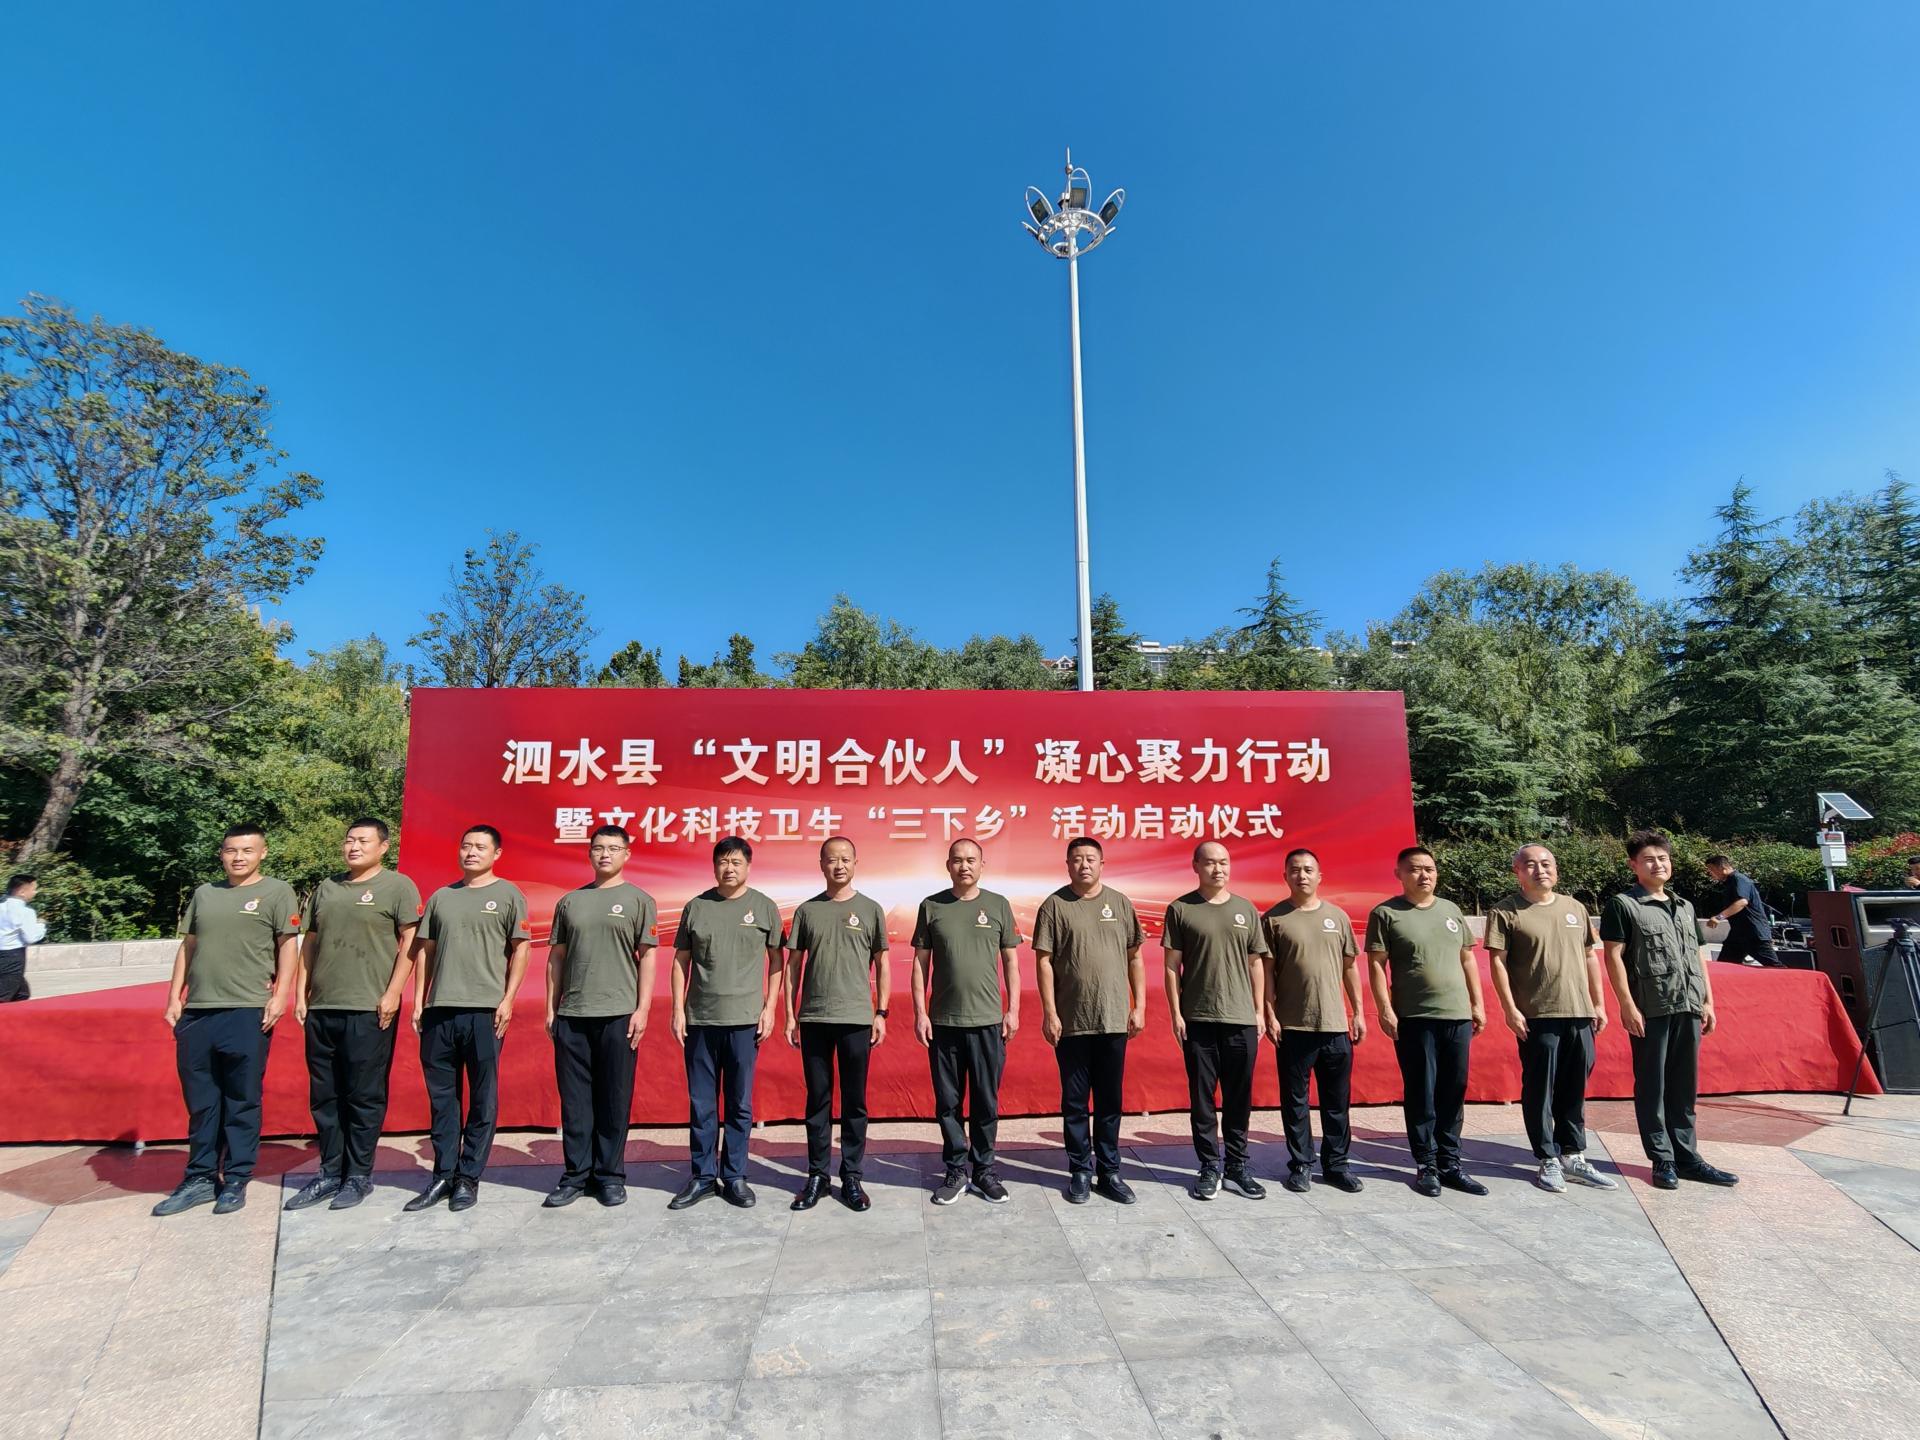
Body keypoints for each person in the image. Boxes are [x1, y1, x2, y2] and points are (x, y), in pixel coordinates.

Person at [151, 824, 300, 1217]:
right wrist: (174, 996)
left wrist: (280, 996)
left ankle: (236, 1178)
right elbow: (189, 946)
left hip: (246, 1009)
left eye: (247, 850)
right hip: (198, 1011)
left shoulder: (277, 892)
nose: (238, 857)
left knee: (242, 1099)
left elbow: (288, 946)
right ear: (221, 853)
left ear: (262, 853)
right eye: (231, 850)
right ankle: (200, 1177)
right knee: (202, 1101)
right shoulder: (205, 893)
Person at [284, 818, 421, 1212]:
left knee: (364, 1094)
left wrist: (393, 992)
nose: (354, 847)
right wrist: (301, 992)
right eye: (349, 840)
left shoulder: (398, 886)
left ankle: (359, 1175)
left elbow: (411, 941)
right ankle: (329, 1172)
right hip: (323, 1006)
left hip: (368, 1007)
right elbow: (309, 942)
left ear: (383, 847)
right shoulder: (327, 888)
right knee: (325, 1095)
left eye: (363, 840)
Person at [1601, 829, 1739, 1191]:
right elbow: (1613, 956)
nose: (1657, 864)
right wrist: (1626, 1004)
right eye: (1648, 859)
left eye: (1662, 858)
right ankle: (1662, 1158)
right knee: (1653, 1084)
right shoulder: (1623, 905)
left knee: (1684, 1085)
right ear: (1633, 865)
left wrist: (1708, 1000)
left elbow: (1697, 955)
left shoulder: (1684, 906)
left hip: (1689, 1004)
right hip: (1652, 1006)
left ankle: (1688, 1157)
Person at [406, 824, 531, 1213]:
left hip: (485, 1010)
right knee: (442, 1099)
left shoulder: (508, 895)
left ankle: (468, 1178)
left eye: (480, 847)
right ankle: (443, 1174)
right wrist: (419, 1001)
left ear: (496, 854)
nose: (471, 852)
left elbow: (521, 949)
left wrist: (508, 999)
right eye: (465, 846)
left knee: (482, 1098)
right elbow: (425, 951)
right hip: (440, 1010)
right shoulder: (442, 897)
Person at [1485, 844, 1615, 1194]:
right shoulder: (1506, 911)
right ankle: (1547, 1158)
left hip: (1579, 1012)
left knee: (1575, 1087)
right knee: (1540, 1089)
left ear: (1555, 869)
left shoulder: (1574, 908)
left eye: (1546, 863)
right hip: (1537, 1014)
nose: (1540, 870)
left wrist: (1598, 1003)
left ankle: (1573, 1155)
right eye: (1530, 864)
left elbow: (1590, 956)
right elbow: (1497, 962)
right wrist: (1510, 1009)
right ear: (1517, 872)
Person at [543, 825, 657, 1209]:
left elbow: (648, 957)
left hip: (619, 1014)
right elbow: (556, 958)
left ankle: (609, 1176)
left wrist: (642, 1009)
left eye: (613, 848)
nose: (605, 854)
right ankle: (575, 1175)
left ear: (627, 854)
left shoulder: (639, 900)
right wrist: (551, 1008)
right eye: (598, 848)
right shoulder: (570, 902)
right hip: (573, 1014)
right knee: (575, 1101)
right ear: (589, 854)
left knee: (614, 1099)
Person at [1366, 845, 1488, 1198]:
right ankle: (1427, 1164)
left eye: (1430, 869)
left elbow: (1467, 960)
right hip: (1414, 1017)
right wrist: (1385, 1008)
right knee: (1422, 1090)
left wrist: (1477, 1004)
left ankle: (1451, 1163)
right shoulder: (1387, 913)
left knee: (1454, 1089)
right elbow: (1376, 964)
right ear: (1399, 874)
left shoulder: (1450, 910)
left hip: (1456, 1015)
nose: (1424, 875)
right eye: (1415, 869)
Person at [669, 836, 782, 1211]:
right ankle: (702, 1177)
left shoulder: (763, 907)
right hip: (701, 1019)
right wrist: (678, 1009)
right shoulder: (697, 907)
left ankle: (734, 1176)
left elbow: (777, 962)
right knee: (701, 1103)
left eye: (736, 862)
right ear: (714, 866)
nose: (729, 868)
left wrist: (770, 1008)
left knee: (739, 1103)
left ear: (748, 866)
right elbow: (681, 962)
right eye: (722, 862)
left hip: (744, 1020)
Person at [1034, 836, 1145, 1205]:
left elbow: (1134, 957)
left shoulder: (1120, 903)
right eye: (1077, 859)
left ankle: (1109, 1171)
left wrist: (1139, 1006)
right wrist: (1050, 1012)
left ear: (1102, 863)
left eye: (1091, 859)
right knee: (1075, 1102)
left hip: (1113, 1020)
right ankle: (1080, 1170)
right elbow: (1044, 962)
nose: (1084, 865)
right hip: (1072, 1021)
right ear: (1068, 865)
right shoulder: (1054, 906)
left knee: (1110, 1101)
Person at [911, 837, 1021, 1206]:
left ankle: (984, 1169)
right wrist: (921, 1013)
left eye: (971, 860)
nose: (964, 866)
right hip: (944, 1022)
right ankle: (956, 1169)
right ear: (948, 865)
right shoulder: (932, 906)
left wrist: (1013, 1010)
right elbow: (920, 964)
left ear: (982, 864)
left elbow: (1011, 962)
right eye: (957, 860)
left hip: (988, 1020)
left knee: (986, 1101)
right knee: (948, 1102)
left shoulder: (998, 905)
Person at [782, 836, 889, 1212]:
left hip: (857, 1018)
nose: (839, 865)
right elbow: (793, 967)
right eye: (831, 859)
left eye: (845, 859)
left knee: (855, 1101)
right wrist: (790, 1015)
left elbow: (883, 963)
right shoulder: (807, 911)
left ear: (856, 862)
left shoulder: (870, 909)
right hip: (814, 1018)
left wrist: (881, 1012)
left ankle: (853, 1176)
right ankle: (817, 1175)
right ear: (821, 864)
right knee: (818, 1100)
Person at [1162, 841, 1270, 1201]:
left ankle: (1237, 1167)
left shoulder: (1245, 909)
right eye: (1209, 863)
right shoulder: (1181, 909)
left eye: (1223, 862)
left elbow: (1256, 963)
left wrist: (1258, 1011)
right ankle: (1209, 1166)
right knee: (1202, 1098)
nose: (1217, 869)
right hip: (1199, 1018)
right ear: (1196, 866)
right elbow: (1171, 966)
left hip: (1241, 1019)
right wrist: (1176, 1013)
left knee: (1239, 1097)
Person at [1262, 848, 1366, 1195]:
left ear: (1320, 876)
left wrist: (1358, 1012)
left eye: (1308, 870)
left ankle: (1337, 1165)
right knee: (1295, 1102)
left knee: (1337, 1102)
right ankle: (1301, 1165)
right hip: (1294, 1026)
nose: (1302, 875)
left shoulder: (1337, 917)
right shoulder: (1274, 919)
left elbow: (1350, 968)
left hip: (1335, 1025)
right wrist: (1270, 1012)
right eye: (1295, 870)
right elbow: (1267, 972)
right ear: (1285, 876)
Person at [1702, 855, 1777, 967]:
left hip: (1753, 933)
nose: (1710, 873)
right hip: (1738, 934)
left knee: (1774, 967)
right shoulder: (1729, 882)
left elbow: (1742, 902)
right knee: (1724, 966)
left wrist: (1718, 917)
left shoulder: (1739, 879)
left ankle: (1793, 978)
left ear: (1722, 868)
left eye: (1711, 869)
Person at [0, 874, 47, 1003]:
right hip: (13, 956)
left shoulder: (1, 906)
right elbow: (30, 937)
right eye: (34, 889)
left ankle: (16, 1014)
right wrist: (41, 925)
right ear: (21, 892)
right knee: (4, 995)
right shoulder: (26, 912)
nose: (35, 892)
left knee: (22, 993)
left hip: (4, 953)